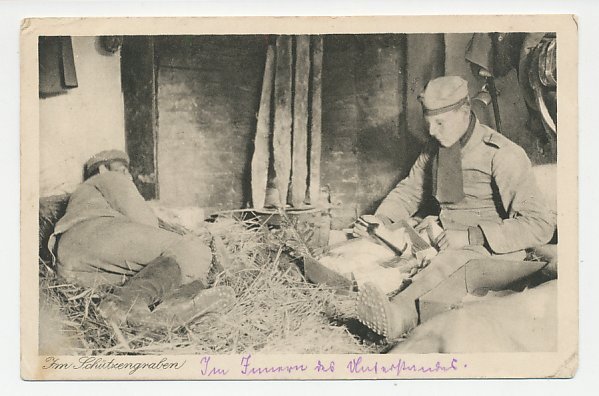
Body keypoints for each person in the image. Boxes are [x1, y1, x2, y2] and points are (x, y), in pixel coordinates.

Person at [354, 76, 556, 340]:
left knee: (448, 262)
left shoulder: (503, 153)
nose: (432, 131)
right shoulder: (435, 149)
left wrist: (472, 236)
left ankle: (398, 316)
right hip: (441, 236)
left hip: (490, 250)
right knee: (379, 242)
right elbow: (409, 191)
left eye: (440, 123)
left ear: (464, 112)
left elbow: (540, 225)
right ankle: (346, 285)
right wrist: (380, 220)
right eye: (429, 123)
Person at [49, 150, 235, 329]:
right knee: (194, 249)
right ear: (102, 169)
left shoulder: (84, 195)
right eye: (122, 169)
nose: (129, 176)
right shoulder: (108, 178)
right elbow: (144, 221)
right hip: (93, 235)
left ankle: (169, 307)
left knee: (162, 273)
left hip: (77, 267)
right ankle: (132, 304)